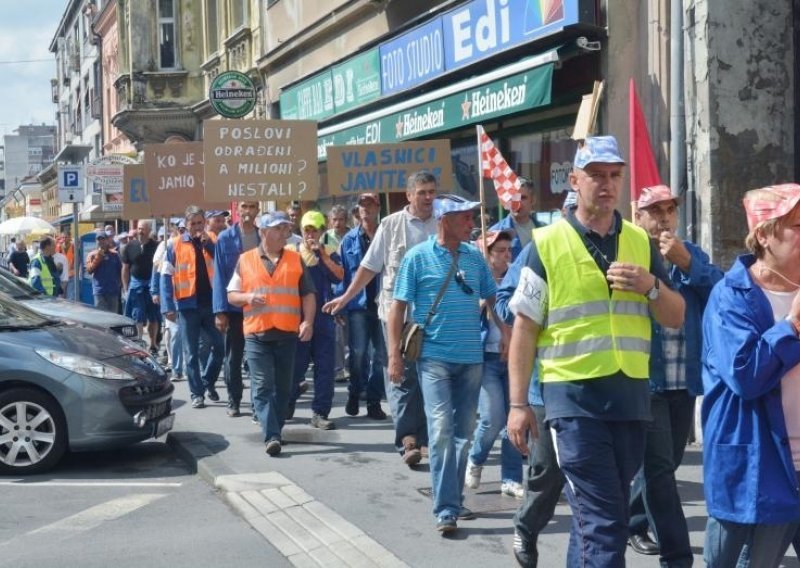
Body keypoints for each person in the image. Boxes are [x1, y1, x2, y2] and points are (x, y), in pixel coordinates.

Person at [506, 135, 685, 567]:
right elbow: (524, 329)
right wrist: (517, 404)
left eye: (614, 176)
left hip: (630, 401)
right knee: (605, 525)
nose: (606, 185)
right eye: (596, 176)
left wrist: (650, 286)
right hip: (573, 403)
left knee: (599, 519)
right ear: (574, 180)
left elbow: (675, 315)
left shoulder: (640, 244)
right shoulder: (546, 244)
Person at [702, 184, 800, 568]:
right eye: (798, 225)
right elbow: (745, 375)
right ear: (763, 234)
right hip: (758, 465)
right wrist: (791, 325)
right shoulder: (730, 296)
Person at [626, 185, 723, 564]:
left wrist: (687, 264)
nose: (664, 217)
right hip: (646, 377)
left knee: (666, 464)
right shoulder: (630, 251)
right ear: (639, 216)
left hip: (684, 378)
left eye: (670, 209)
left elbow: (721, 292)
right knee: (661, 470)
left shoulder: (690, 253)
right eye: (655, 210)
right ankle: (677, 555)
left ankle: (632, 520)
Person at [389, 194, 496, 533]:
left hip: (471, 359)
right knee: (440, 431)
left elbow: (491, 297)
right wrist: (394, 355)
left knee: (463, 432)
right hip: (433, 358)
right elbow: (397, 309)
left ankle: (453, 497)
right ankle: (446, 508)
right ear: (444, 220)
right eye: (464, 217)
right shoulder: (416, 258)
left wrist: (505, 332)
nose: (471, 223)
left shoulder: (476, 258)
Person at [323, 171, 438, 468]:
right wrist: (345, 298)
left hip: (435, 317)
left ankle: (425, 438)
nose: (428, 198)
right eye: (422, 192)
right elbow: (369, 267)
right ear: (409, 195)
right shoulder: (391, 225)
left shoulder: (442, 222)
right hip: (396, 315)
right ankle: (408, 439)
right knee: (400, 375)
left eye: (431, 192)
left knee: (430, 376)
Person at [226, 211, 316, 456]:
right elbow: (231, 295)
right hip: (257, 334)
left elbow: (308, 294)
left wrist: (308, 322)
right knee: (263, 386)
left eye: (286, 229)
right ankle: (272, 435)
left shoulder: (296, 260)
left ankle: (274, 427)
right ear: (263, 232)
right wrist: (247, 297)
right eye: (278, 229)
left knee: (284, 389)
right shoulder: (245, 260)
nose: (284, 234)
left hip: (287, 334)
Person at [464, 230, 525, 499]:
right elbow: (463, 313)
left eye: (508, 250)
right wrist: (483, 301)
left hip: (513, 358)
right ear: (486, 255)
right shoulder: (474, 278)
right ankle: (476, 458)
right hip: (486, 358)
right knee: (492, 418)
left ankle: (511, 478)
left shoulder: (518, 276)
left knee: (514, 418)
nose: (506, 255)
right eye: (499, 250)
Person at [161, 205, 225, 409]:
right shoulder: (174, 246)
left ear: (204, 222)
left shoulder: (213, 240)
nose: (197, 227)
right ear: (186, 225)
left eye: (200, 223)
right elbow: (165, 276)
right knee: (191, 353)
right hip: (188, 306)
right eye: (193, 224)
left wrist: (208, 246)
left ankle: (207, 381)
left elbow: (222, 264)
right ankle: (197, 393)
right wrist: (167, 306)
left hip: (212, 305)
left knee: (220, 347)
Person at [286, 210, 343, 430]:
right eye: (307, 230)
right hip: (297, 319)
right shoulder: (291, 252)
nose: (310, 234)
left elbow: (339, 275)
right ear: (301, 230)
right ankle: (288, 402)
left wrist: (323, 256)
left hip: (323, 319)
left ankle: (320, 412)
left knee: (325, 368)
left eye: (314, 230)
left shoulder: (328, 251)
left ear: (321, 231)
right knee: (294, 366)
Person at [338, 193, 387, 420]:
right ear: (358, 210)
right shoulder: (348, 240)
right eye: (362, 205)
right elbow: (343, 275)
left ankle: (374, 400)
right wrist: (341, 304)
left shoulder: (386, 234)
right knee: (357, 354)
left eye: (370, 204)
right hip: (358, 305)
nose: (366, 209)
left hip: (382, 304)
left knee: (380, 356)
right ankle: (355, 392)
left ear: (377, 208)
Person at [213, 201, 261, 418]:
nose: (248, 211)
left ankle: (257, 403)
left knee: (257, 357)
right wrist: (220, 311)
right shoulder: (225, 238)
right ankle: (234, 400)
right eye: (244, 206)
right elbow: (220, 276)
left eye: (252, 206)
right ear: (238, 210)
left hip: (260, 305)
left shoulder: (264, 236)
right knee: (234, 357)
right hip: (234, 308)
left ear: (257, 210)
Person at [122, 221, 161, 354]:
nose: (140, 231)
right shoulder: (130, 246)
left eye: (143, 229)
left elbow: (160, 267)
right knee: (137, 315)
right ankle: (139, 343)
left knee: (154, 317)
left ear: (149, 230)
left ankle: (153, 344)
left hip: (152, 286)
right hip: (136, 284)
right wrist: (126, 288)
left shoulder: (156, 246)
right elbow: (125, 268)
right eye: (138, 229)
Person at [491, 178, 545, 260]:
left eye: (523, 198)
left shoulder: (544, 230)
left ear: (533, 200)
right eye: (513, 198)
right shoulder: (495, 233)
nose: (518, 203)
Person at [85, 229, 122, 312]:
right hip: (99, 291)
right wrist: (98, 257)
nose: (101, 241)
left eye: (103, 239)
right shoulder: (92, 255)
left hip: (113, 291)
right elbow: (89, 270)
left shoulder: (114, 254)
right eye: (99, 239)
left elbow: (120, 270)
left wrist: (119, 284)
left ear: (107, 240)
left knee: (113, 316)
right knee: (101, 316)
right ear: (96, 241)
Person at [56, 232, 77, 300]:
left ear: (70, 238)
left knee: (70, 296)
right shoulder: (59, 247)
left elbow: (77, 259)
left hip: (71, 275)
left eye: (66, 237)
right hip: (62, 275)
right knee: (62, 295)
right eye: (63, 237)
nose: (64, 239)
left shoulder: (73, 246)